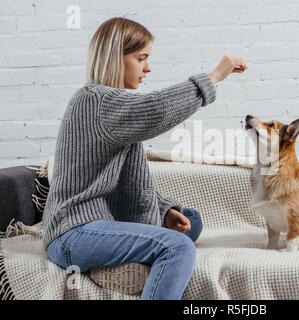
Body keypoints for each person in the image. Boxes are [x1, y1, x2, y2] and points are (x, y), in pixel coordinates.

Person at [44, 16, 247, 300]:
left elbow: (131, 182)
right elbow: (158, 110)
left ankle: (120, 262)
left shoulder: (116, 107)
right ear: (116, 57)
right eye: (141, 58)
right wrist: (213, 77)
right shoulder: (95, 100)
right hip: (72, 233)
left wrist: (163, 211)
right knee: (178, 246)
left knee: (191, 220)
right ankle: (118, 263)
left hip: (99, 222)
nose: (148, 68)